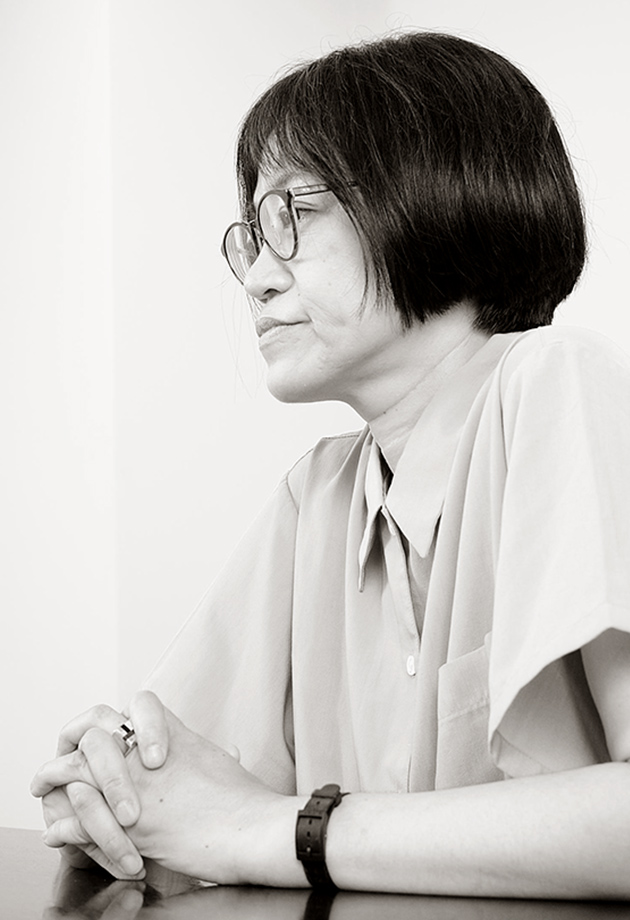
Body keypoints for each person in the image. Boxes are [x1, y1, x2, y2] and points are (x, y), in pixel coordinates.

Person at [31, 31, 630, 899]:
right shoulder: (317, 495)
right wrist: (109, 780)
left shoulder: (554, 382)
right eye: (252, 236)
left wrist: (279, 830)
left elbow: (236, 826)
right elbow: (173, 789)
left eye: (294, 216)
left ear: (434, 191)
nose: (257, 280)